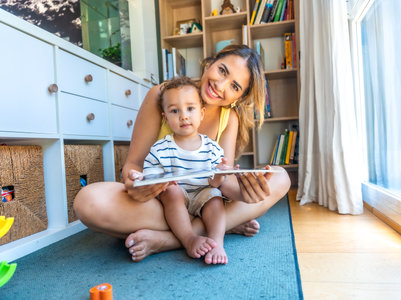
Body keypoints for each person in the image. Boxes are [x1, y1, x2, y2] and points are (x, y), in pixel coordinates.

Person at [73, 45, 291, 263]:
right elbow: (133, 165)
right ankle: (222, 227)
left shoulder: (229, 118)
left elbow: (222, 182)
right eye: (222, 70)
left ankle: (170, 240)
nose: (220, 85)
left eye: (234, 86)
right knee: (88, 201)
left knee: (281, 178)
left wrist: (246, 193)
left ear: (238, 98)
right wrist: (134, 184)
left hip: (206, 202)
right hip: (162, 203)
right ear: (211, 63)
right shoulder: (161, 95)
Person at [143, 76, 229, 264]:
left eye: (190, 109)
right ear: (165, 118)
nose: (184, 116)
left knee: (215, 197)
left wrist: (221, 174)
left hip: (202, 195)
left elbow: (215, 183)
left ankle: (217, 242)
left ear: (201, 113)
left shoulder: (212, 148)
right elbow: (149, 175)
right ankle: (189, 239)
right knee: (171, 191)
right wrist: (160, 181)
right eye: (175, 111)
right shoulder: (160, 148)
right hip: (177, 198)